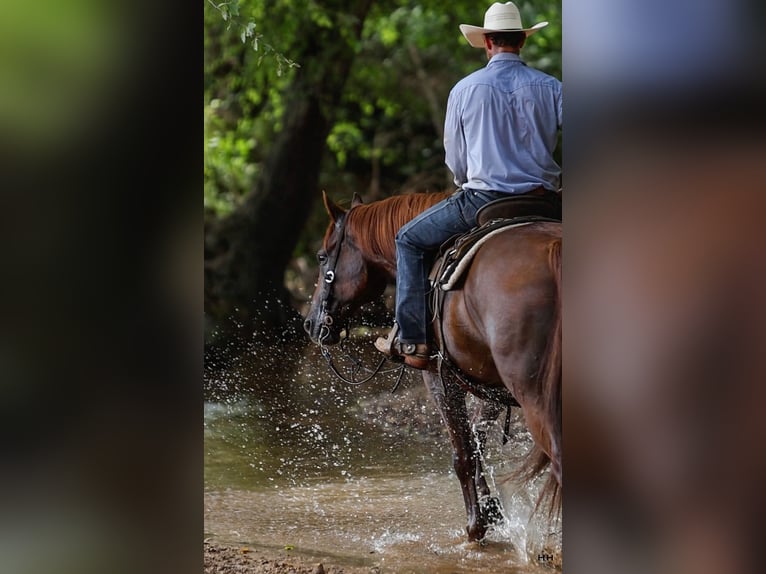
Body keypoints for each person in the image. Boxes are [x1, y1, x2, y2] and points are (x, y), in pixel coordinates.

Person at [374, 1, 562, 369]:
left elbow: (455, 158)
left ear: (487, 43)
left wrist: (464, 180)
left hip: (483, 199)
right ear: (521, 41)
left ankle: (413, 341)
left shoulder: (464, 90)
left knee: (408, 241)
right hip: (545, 202)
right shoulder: (552, 87)